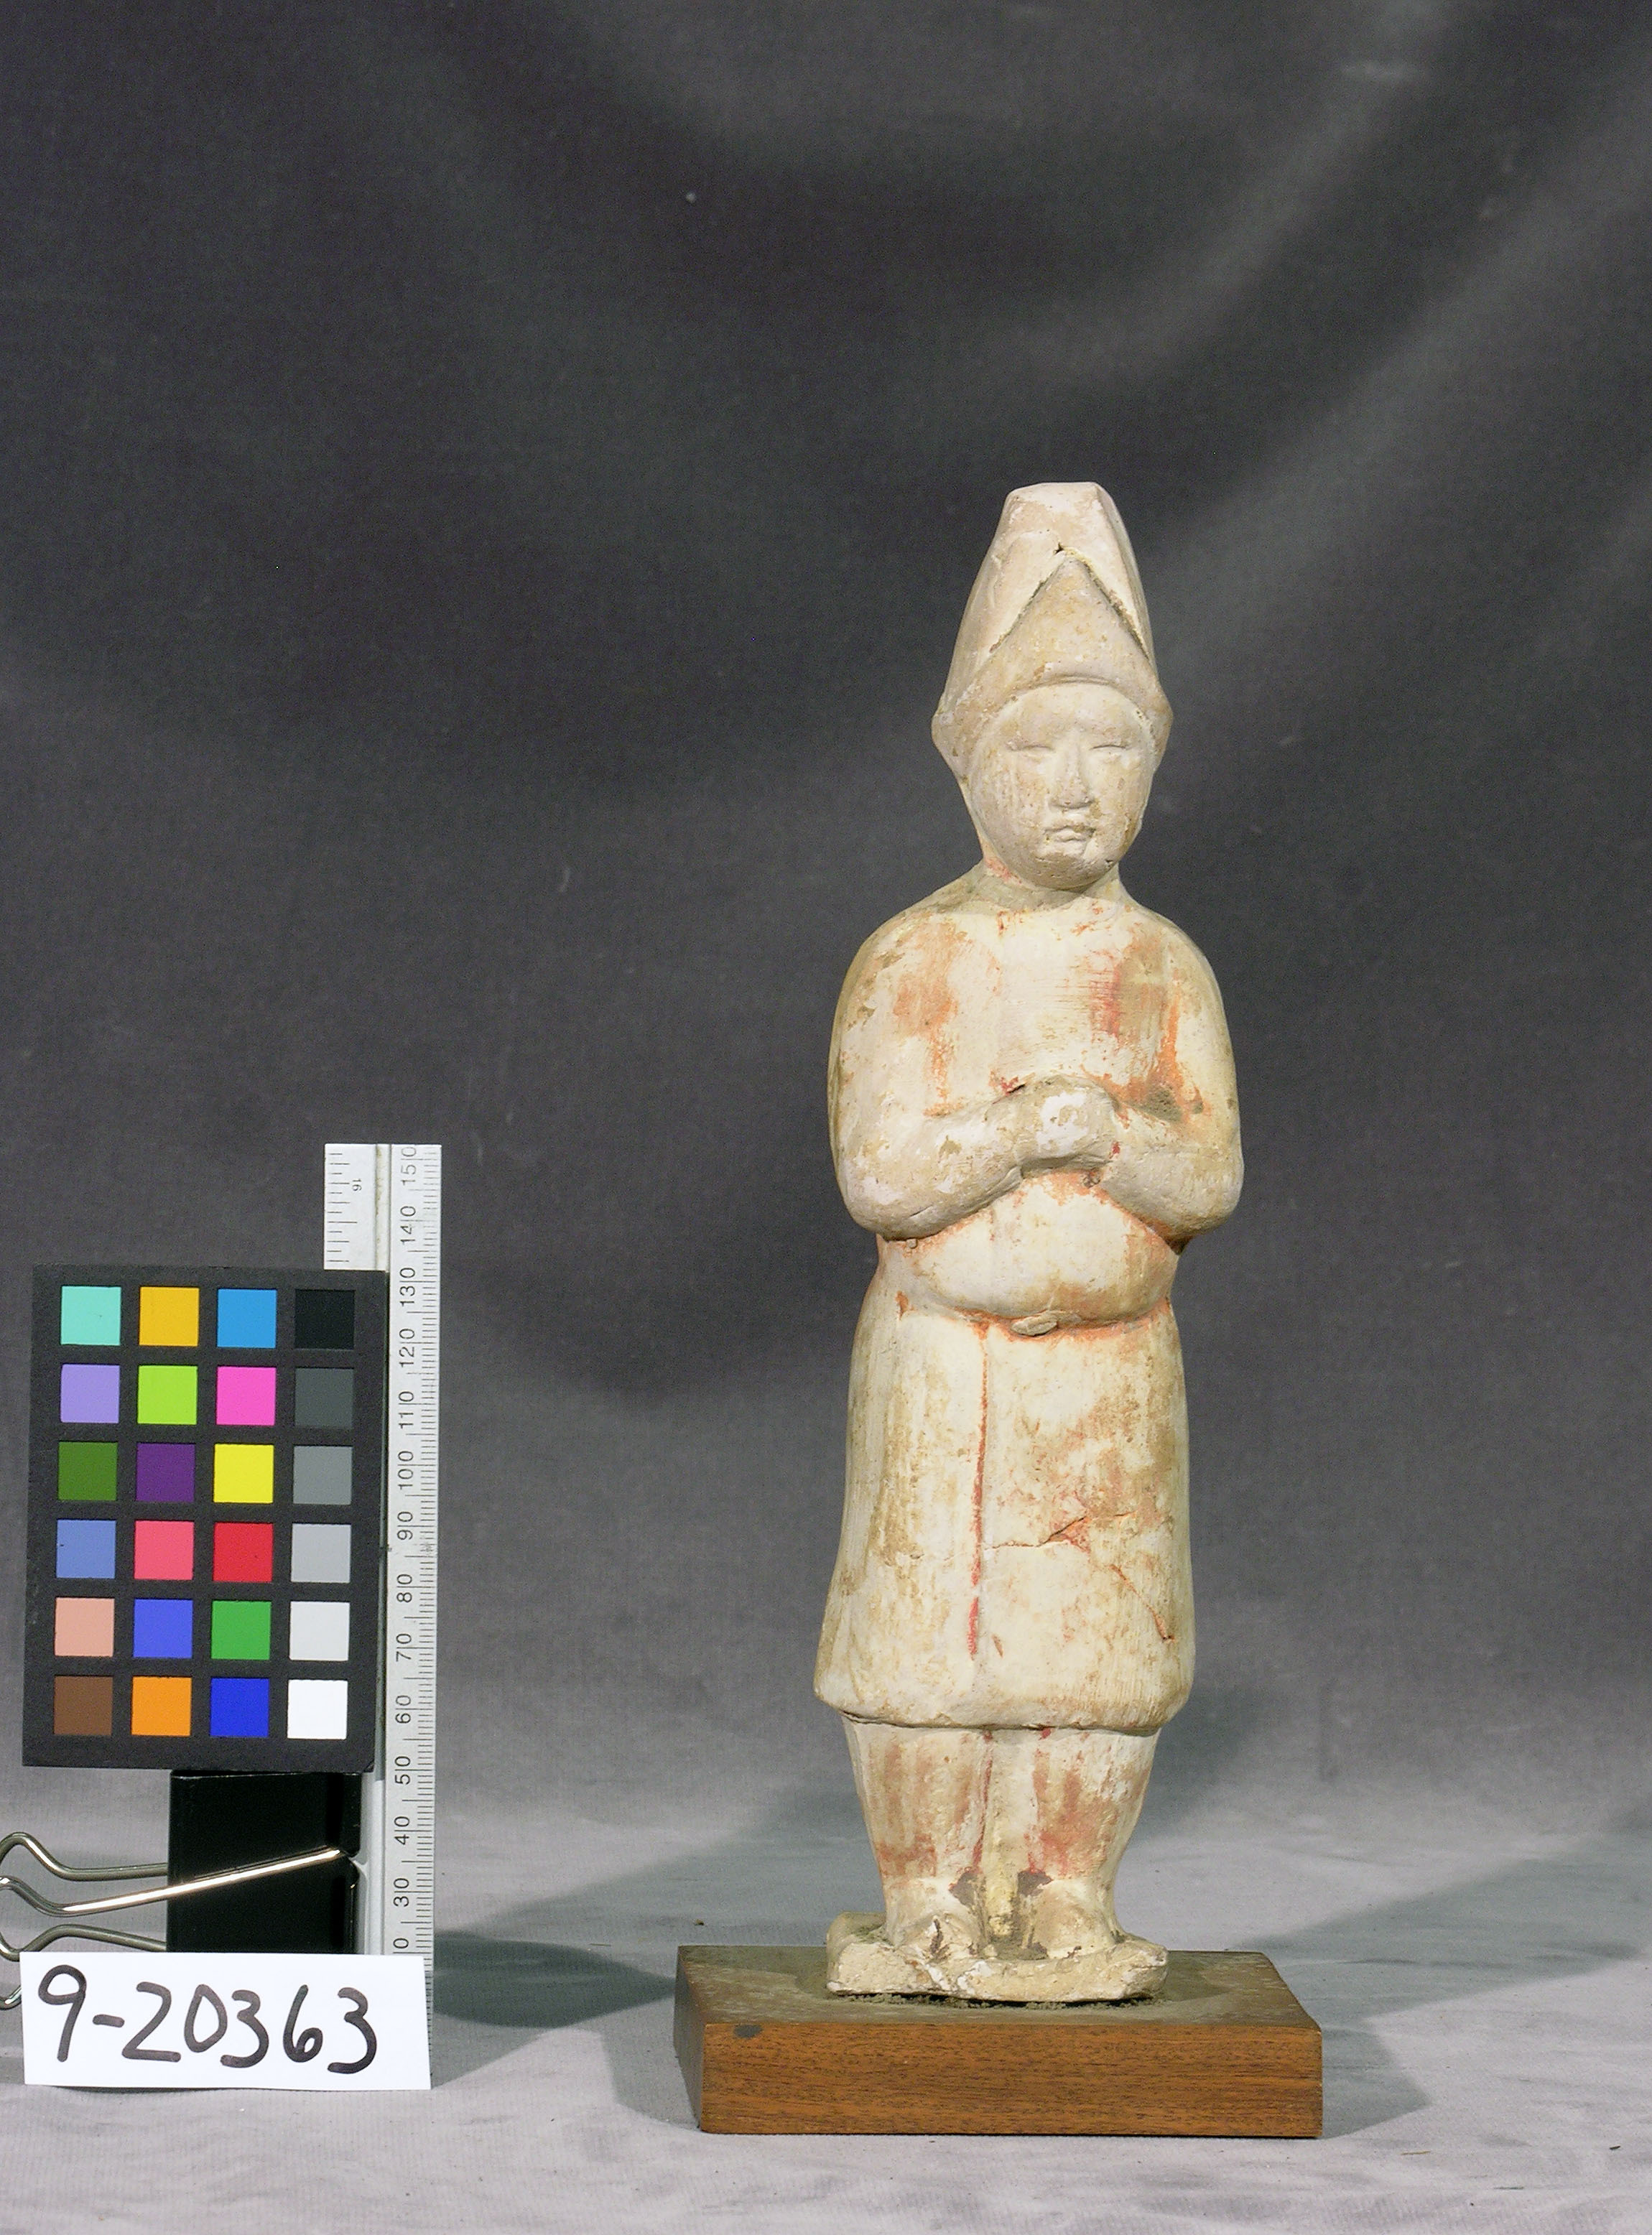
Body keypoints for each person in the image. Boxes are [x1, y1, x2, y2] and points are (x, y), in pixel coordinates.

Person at [817, 483, 1243, 2000]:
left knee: (1101, 1650)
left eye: (1111, 748)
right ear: (967, 760)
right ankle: (925, 1900)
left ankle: (1067, 1896)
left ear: (1153, 766)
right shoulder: (914, 958)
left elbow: (1208, 1173)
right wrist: (1022, 1132)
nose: (1074, 786)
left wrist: (1110, 1131)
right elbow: (880, 1173)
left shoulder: (1161, 964)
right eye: (1035, 746)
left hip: (1111, 1374)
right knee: (924, 1643)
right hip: (946, 1366)